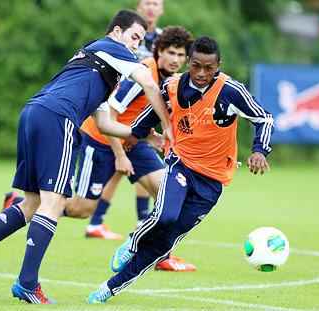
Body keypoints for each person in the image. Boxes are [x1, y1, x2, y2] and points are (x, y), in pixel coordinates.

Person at [0, 9, 173, 305]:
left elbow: (105, 123)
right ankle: (27, 282)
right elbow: (148, 82)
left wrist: (145, 134)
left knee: (33, 203)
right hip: (58, 119)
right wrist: (169, 127)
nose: (136, 45)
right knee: (54, 202)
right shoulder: (110, 47)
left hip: (35, 113)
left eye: (140, 40)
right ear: (116, 32)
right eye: (134, 37)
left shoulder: (100, 66)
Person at [86, 36, 275, 304]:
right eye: (196, 66)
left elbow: (264, 118)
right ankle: (132, 243)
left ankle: (110, 287)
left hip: (213, 181)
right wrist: (136, 134)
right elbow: (155, 110)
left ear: (218, 66)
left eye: (208, 68)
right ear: (188, 62)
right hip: (181, 162)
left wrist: (259, 150)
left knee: (165, 242)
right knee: (164, 215)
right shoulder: (173, 85)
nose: (200, 73)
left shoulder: (230, 91)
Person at [89, 0, 165, 239]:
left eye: (156, 3)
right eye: (147, 2)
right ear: (138, 6)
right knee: (120, 167)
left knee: (138, 166)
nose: (151, 7)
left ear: (162, 9)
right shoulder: (119, 41)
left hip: (135, 118)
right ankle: (99, 220)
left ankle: (140, 220)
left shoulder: (163, 43)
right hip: (112, 112)